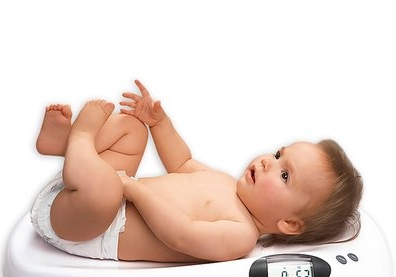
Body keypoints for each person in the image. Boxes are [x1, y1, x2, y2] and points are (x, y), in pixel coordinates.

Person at [31, 80, 363, 263]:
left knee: (106, 191)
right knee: (132, 129)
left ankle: (82, 137)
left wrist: (135, 190)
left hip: (86, 229)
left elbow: (181, 234)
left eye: (284, 175)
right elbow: (181, 162)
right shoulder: (226, 184)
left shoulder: (241, 236)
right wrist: (158, 123)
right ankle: (64, 144)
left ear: (289, 223)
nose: (268, 162)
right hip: (86, 198)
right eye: (278, 155)